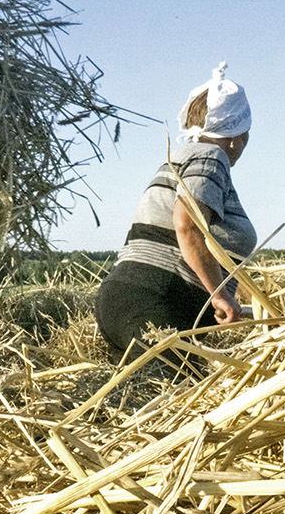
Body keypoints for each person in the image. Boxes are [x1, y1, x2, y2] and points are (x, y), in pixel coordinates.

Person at [96, 63, 258, 364]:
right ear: (237, 135)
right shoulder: (211, 157)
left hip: (132, 300)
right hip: (154, 303)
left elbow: (214, 248)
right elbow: (187, 226)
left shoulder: (183, 157)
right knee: (188, 401)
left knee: (146, 402)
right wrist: (219, 295)